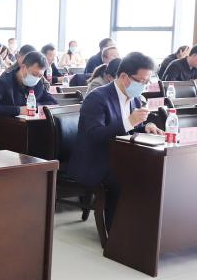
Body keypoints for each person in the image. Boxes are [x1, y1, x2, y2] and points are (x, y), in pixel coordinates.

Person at [65, 52, 163, 232]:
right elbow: (95, 135)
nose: (144, 86)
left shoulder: (135, 98)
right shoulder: (97, 97)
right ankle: (117, 232)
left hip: (120, 156)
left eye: (147, 81)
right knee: (129, 175)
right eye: (141, 81)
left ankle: (144, 229)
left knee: (155, 171)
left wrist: (146, 126)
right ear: (124, 76)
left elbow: (129, 128)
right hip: (96, 160)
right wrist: (130, 122)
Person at [0, 51, 58, 149]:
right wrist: (19, 110)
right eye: (34, 74)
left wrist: (33, 107)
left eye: (40, 76)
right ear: (23, 67)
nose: (37, 78)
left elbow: (53, 103)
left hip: (25, 131)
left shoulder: (37, 83)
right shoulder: (4, 83)